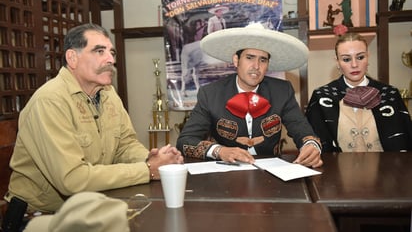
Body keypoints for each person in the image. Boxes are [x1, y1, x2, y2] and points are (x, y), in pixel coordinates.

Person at [2, 23, 183, 227]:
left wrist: (155, 160)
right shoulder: (50, 101)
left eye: (111, 52)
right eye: (99, 51)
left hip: (86, 210)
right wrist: (147, 169)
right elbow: (73, 180)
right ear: (72, 58)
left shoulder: (107, 94)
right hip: (40, 218)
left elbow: (125, 145)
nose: (111, 59)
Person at [176, 23, 323, 168]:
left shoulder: (282, 91)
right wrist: (219, 151)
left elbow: (301, 128)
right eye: (250, 57)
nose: (256, 66)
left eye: (263, 60)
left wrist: (311, 146)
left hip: (272, 174)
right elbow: (185, 141)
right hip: (226, 173)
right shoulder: (210, 93)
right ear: (236, 60)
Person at [306, 32, 412, 152]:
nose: (354, 64)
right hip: (337, 169)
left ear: (368, 57)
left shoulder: (389, 94)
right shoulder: (322, 97)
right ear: (337, 62)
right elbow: (314, 145)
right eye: (346, 59)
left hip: (385, 169)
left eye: (360, 57)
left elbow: (404, 143)